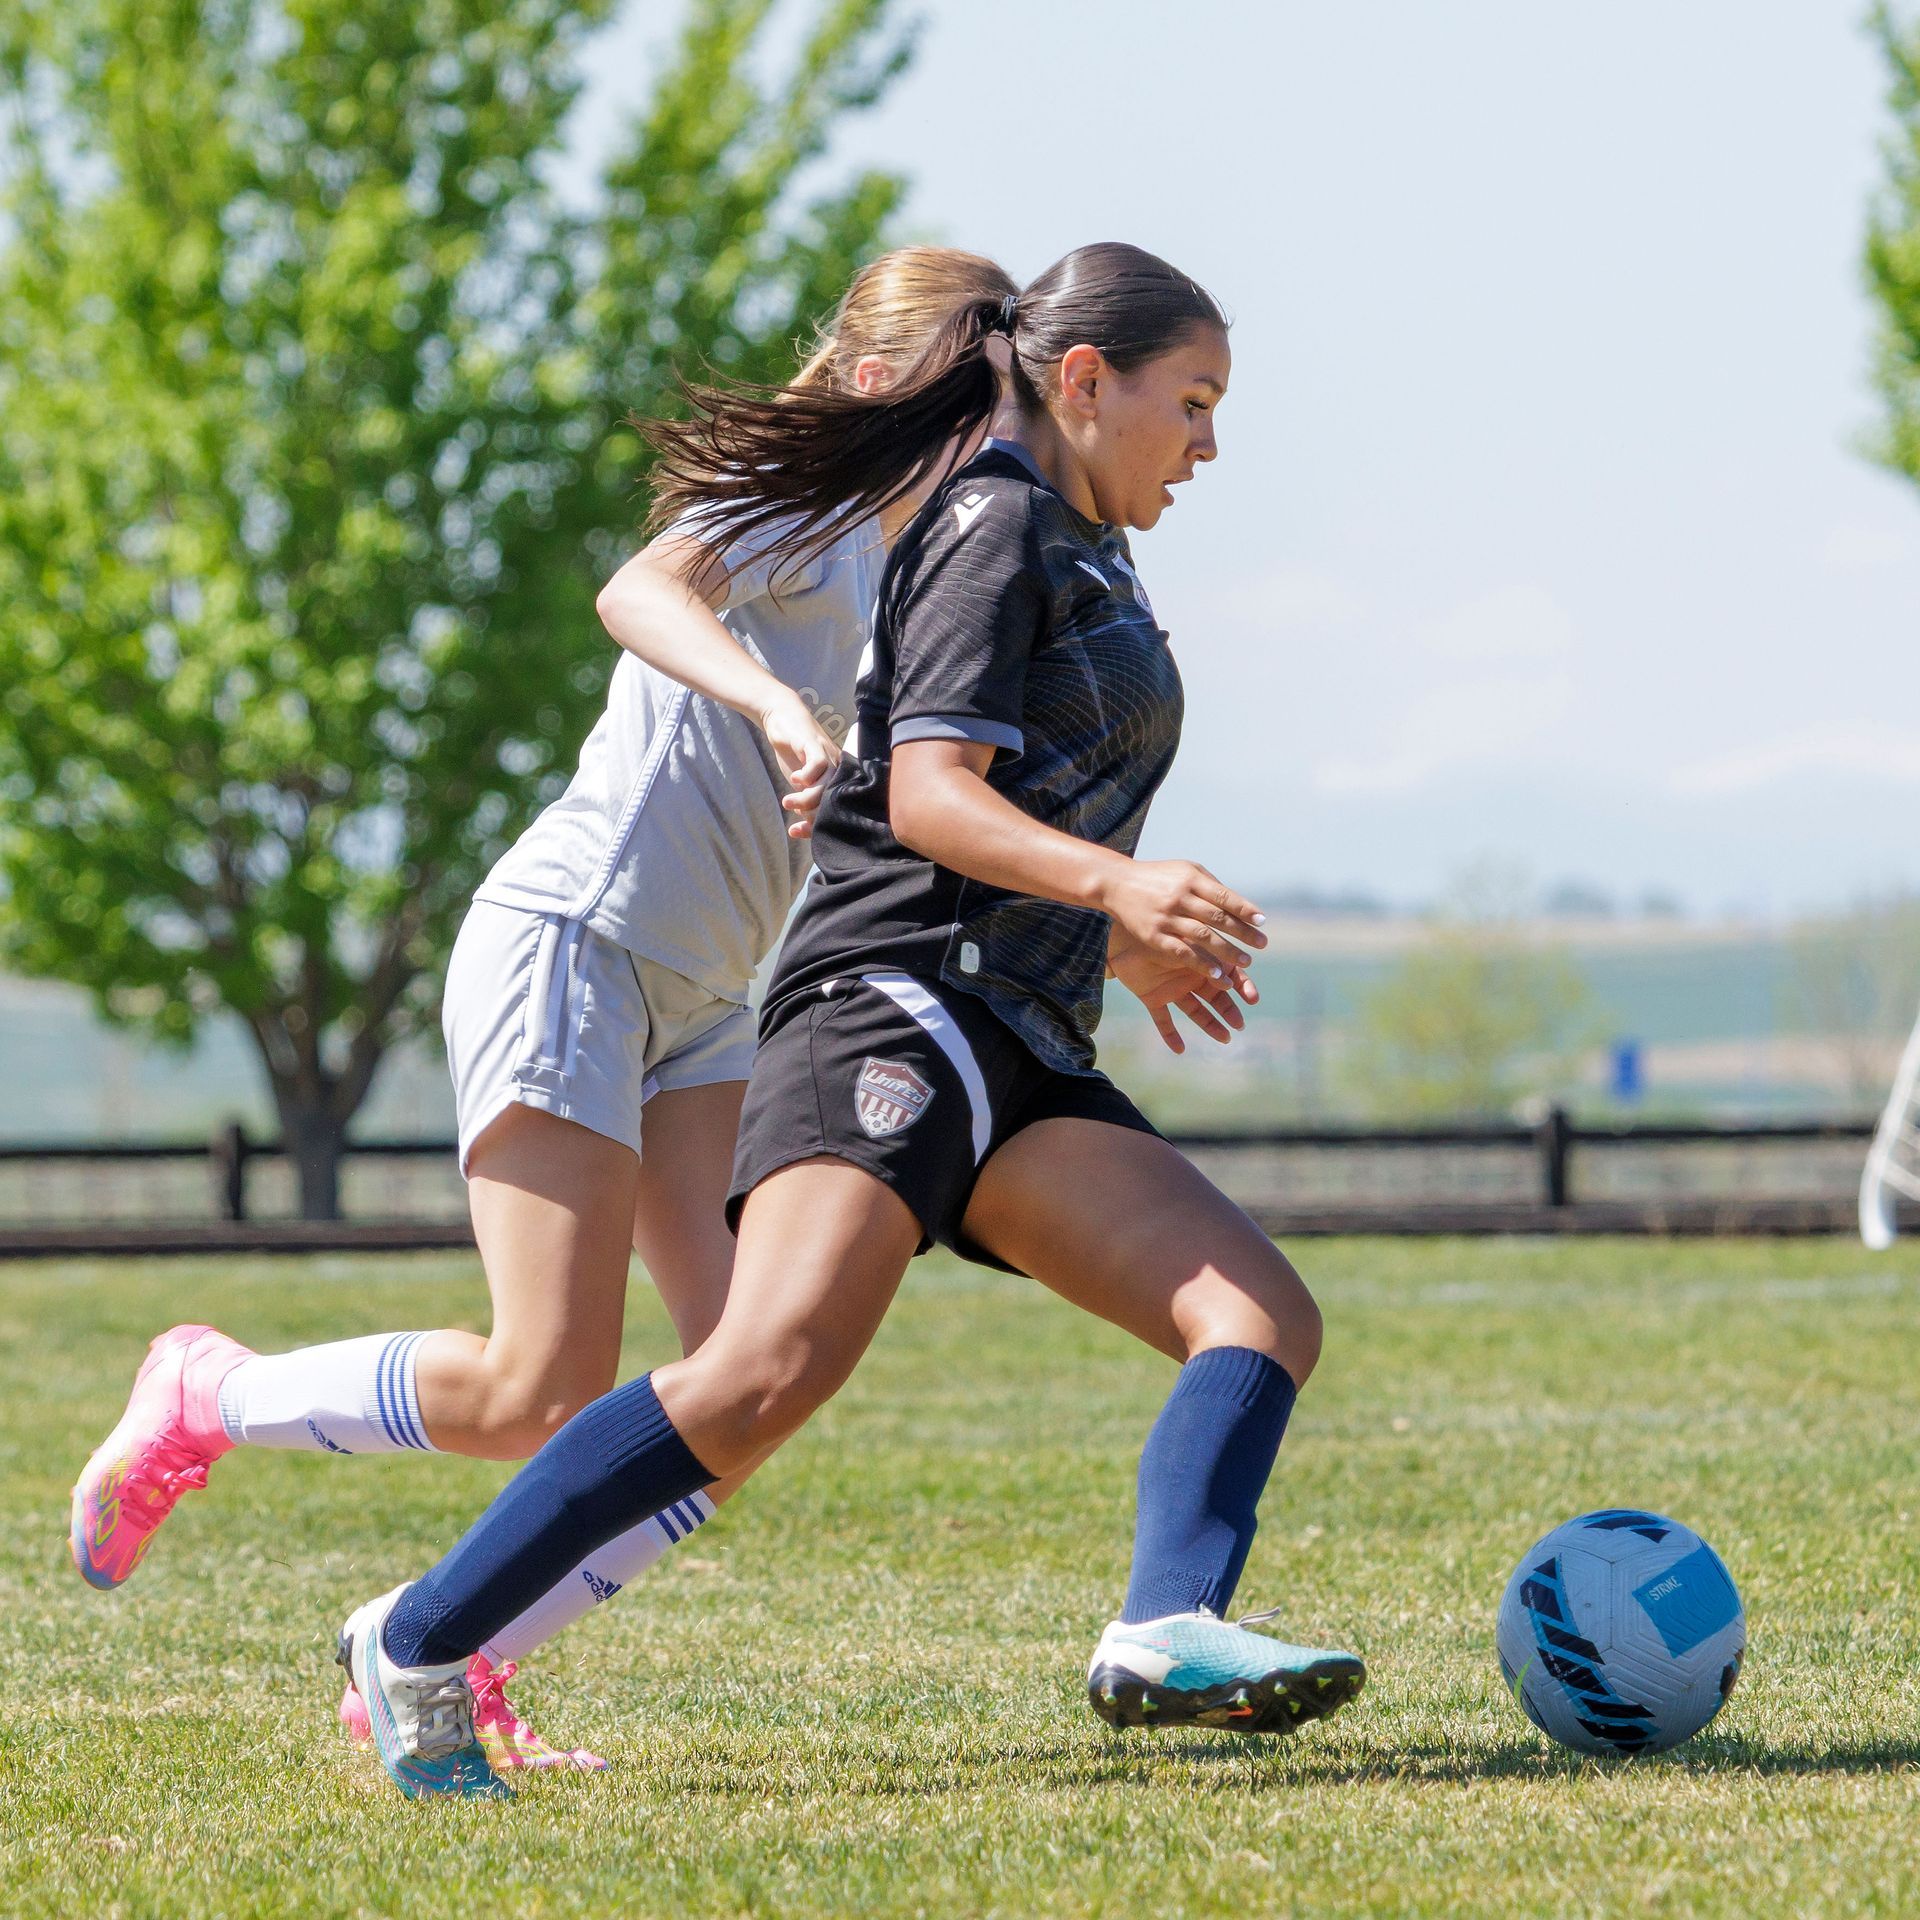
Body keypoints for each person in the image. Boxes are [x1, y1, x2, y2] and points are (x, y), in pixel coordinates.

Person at [335, 242, 1366, 1801]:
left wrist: (1116, 928)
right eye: (1194, 404)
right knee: (760, 1372)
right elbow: (933, 798)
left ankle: (1166, 1626)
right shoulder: (992, 523)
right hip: (888, 1002)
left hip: (1012, 1034)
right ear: (1084, 384)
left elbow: (1022, 789)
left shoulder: (1076, 535)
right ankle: (417, 1644)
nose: (1209, 445)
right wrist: (1120, 889)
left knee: (1258, 1317)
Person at [66, 247, 1022, 1771]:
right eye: (979, 395)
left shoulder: (931, 575)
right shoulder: (805, 507)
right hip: (573, 941)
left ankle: (457, 1649)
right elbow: (636, 589)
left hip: (706, 999)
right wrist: (777, 704)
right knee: (542, 1387)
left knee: (740, 1393)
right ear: (875, 382)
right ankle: (211, 1388)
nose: (1001, 433)